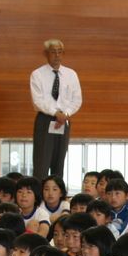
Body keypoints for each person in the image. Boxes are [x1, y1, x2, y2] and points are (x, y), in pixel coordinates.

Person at [29, 39, 82, 179]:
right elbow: (38, 100)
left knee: (59, 160)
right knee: (42, 161)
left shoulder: (71, 74)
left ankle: (57, 193)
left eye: (60, 52)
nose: (57, 55)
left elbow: (77, 100)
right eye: (53, 52)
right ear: (46, 54)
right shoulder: (37, 74)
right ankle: (39, 195)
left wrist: (65, 114)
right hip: (45, 119)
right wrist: (55, 113)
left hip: (64, 120)